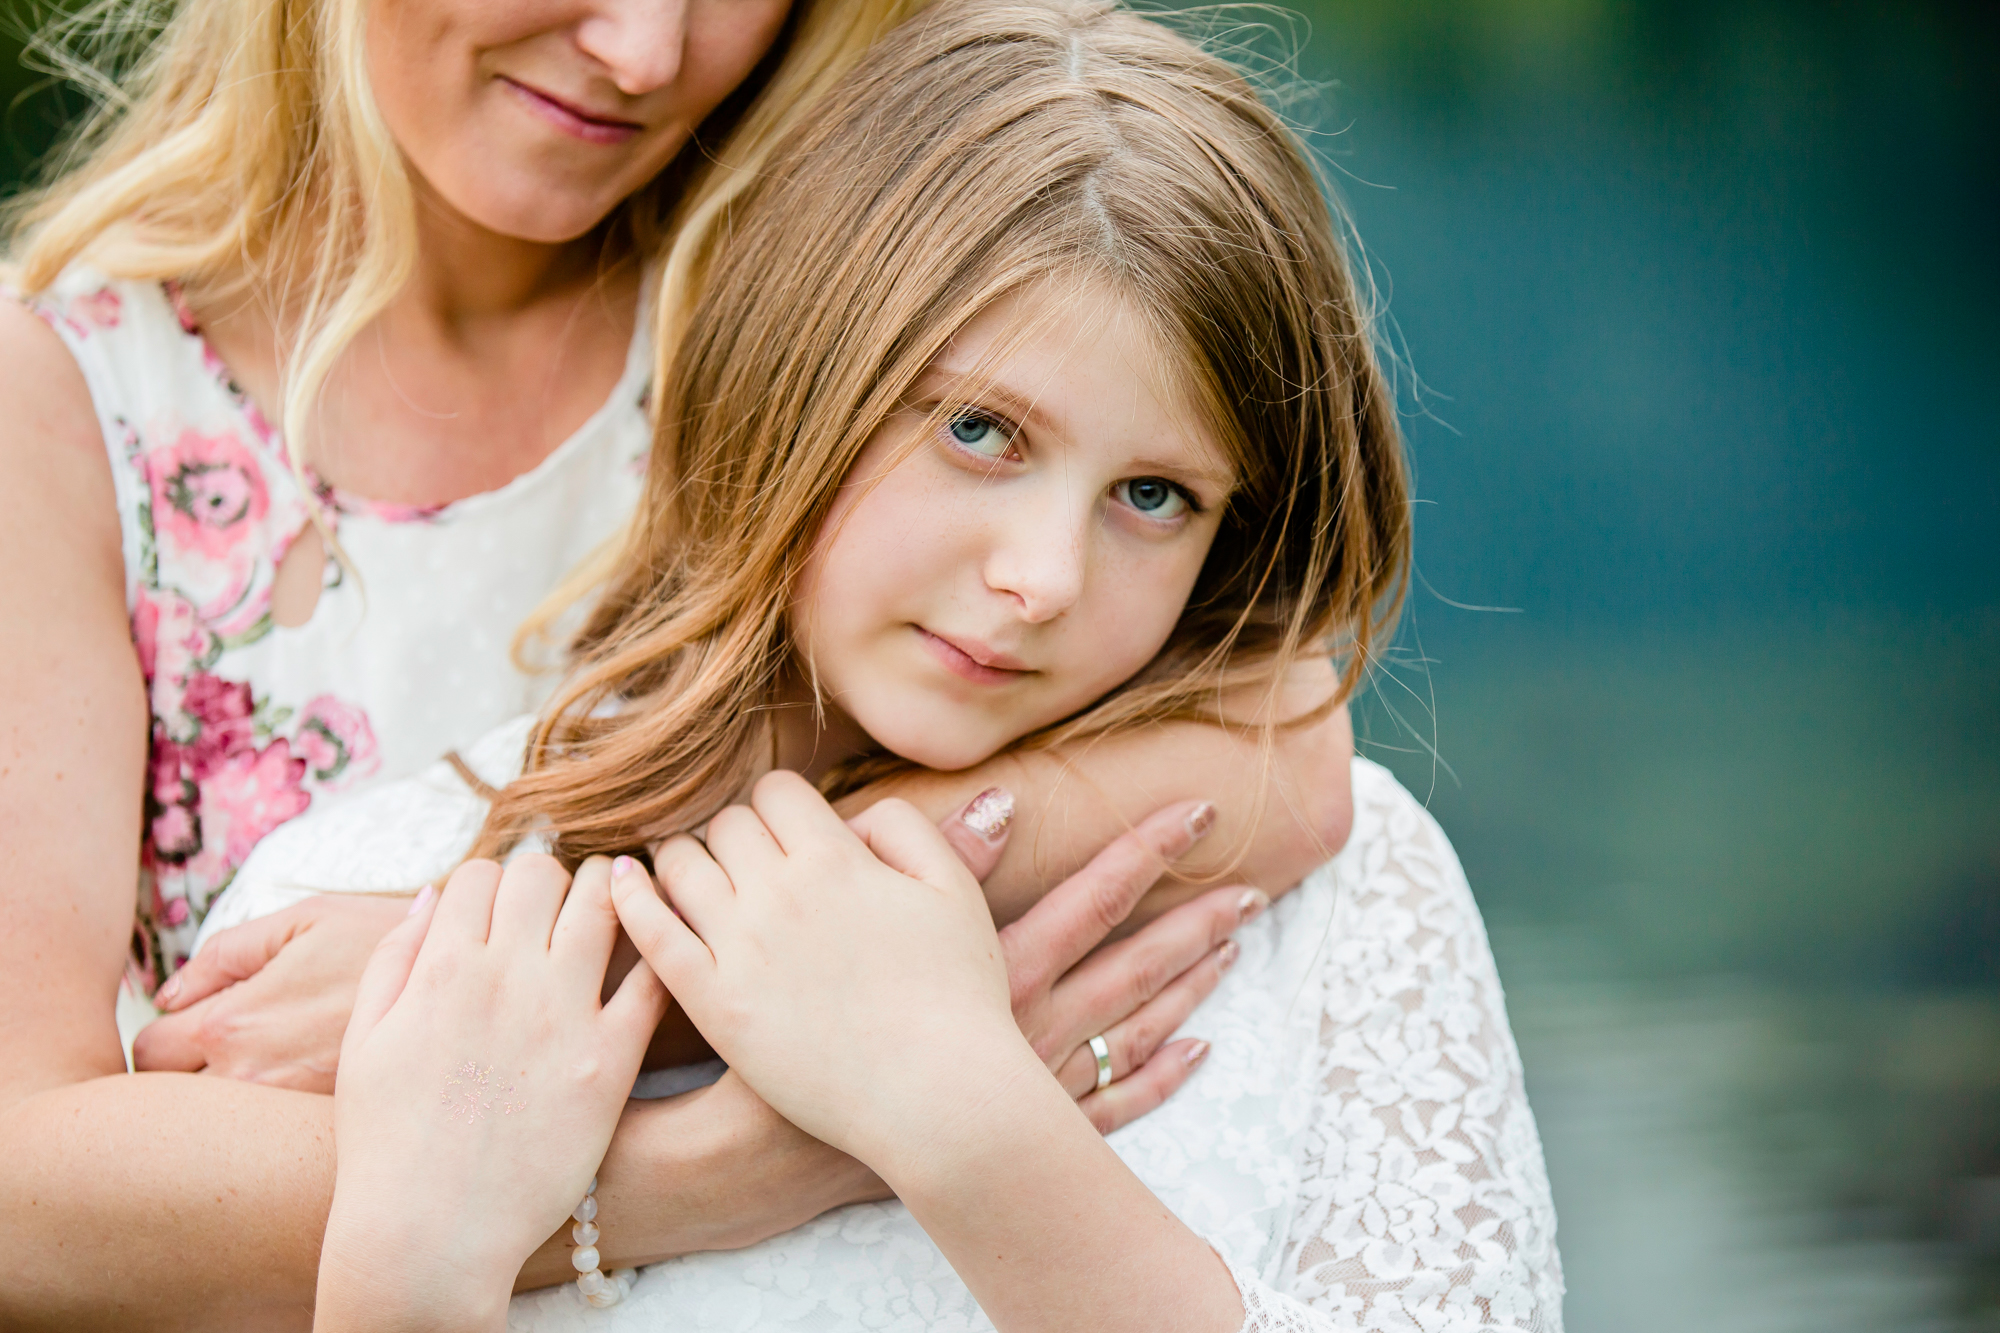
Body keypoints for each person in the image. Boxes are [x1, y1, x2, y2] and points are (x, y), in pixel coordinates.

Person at [0, 0, 1356, 1327]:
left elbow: (1290, 747)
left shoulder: (811, 273)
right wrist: (702, 1170)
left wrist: (615, 963)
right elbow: (23, 1197)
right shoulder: (60, 390)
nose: (647, 50)